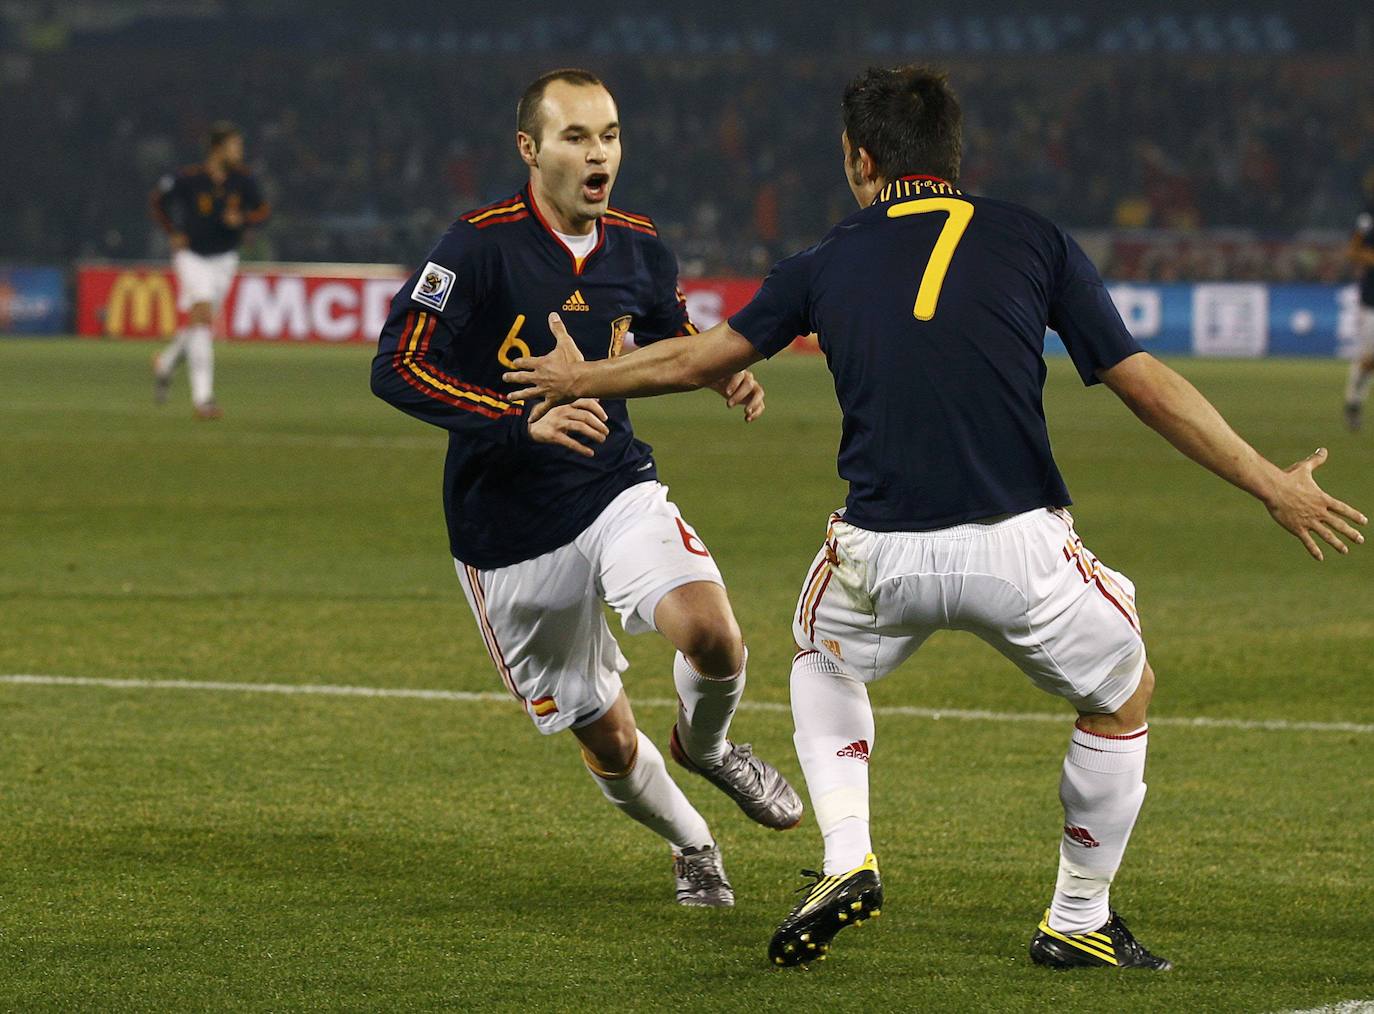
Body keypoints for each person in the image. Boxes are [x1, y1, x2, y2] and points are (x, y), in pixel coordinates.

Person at [504, 66, 1367, 967]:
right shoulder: (1035, 241)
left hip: (880, 554)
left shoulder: (824, 258)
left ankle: (847, 859)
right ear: (955, 155)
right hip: (1024, 551)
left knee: (819, 654)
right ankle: (1077, 916)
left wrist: (581, 378)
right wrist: (1271, 483)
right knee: (1123, 698)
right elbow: (1141, 382)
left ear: (861, 160)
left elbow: (695, 360)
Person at [369, 69, 802, 908]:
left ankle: (708, 747)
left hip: (612, 489)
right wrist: (513, 419)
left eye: (608, 135)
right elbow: (397, 364)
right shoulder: (477, 243)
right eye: (575, 136)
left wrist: (719, 373)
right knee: (603, 734)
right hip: (505, 531)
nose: (598, 153)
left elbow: (669, 334)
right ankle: (693, 842)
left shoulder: (640, 244)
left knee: (711, 634)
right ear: (530, 150)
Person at [149, 121, 270, 419]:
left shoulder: (243, 180)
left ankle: (166, 363)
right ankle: (204, 398)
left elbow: (263, 210)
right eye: (235, 145)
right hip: (192, 256)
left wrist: (242, 219)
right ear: (218, 149)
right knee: (202, 316)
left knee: (200, 323)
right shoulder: (190, 179)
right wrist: (172, 232)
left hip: (225, 259)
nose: (240, 151)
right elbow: (158, 201)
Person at [1343, 169, 1374, 432]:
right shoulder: (1368, 217)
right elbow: (1352, 251)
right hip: (1372, 299)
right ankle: (1353, 401)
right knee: (1370, 358)